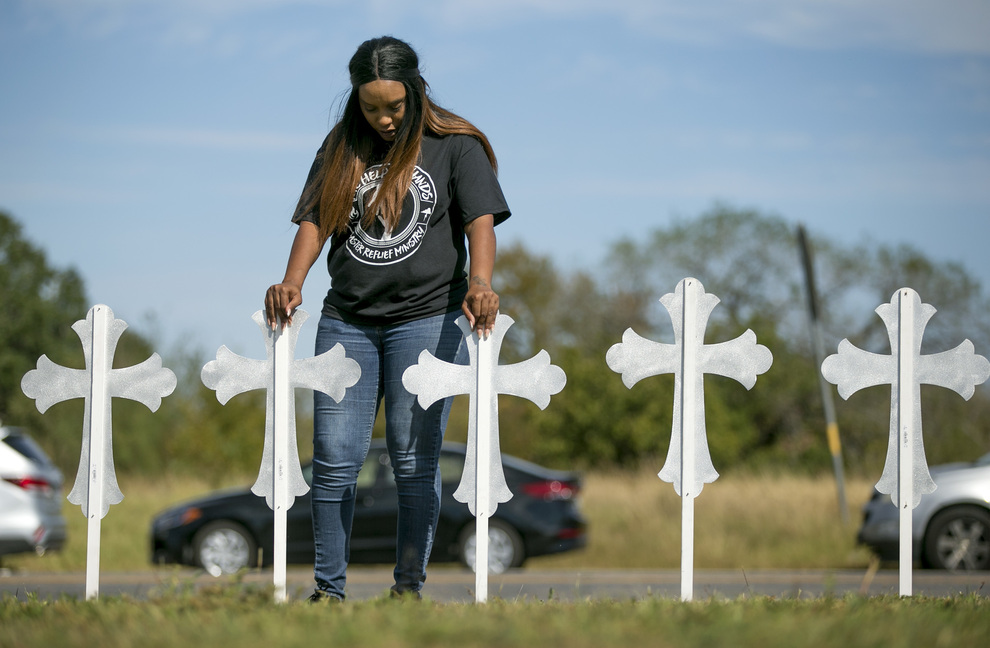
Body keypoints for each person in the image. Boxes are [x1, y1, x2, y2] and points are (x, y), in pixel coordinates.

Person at [264, 35, 510, 602]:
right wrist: (292, 282)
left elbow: (481, 221)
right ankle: (327, 593)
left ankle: (408, 591)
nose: (383, 118)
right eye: (371, 107)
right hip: (347, 320)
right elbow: (313, 222)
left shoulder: (455, 145)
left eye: (394, 107)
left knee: (413, 461)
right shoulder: (343, 146)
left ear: (416, 93)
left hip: (427, 318)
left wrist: (480, 283)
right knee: (334, 463)